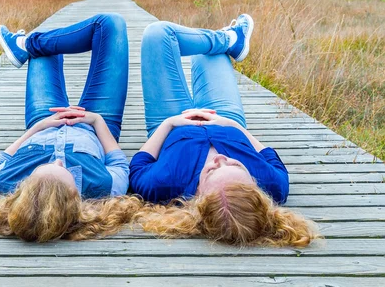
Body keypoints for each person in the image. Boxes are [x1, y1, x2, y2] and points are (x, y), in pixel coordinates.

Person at [0, 13, 142, 242]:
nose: (58, 160)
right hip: (94, 124)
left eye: (44, 166)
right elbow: (118, 163)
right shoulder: (102, 188)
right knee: (111, 25)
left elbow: (0, 159)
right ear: (76, 198)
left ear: (24, 187)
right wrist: (95, 120)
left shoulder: (0, 185)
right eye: (65, 170)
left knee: (47, 46)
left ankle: (25, 45)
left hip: (44, 119)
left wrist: (38, 128)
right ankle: (24, 44)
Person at [129, 15, 318, 247]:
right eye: (236, 164)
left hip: (171, 121)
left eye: (211, 171)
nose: (221, 159)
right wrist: (232, 125)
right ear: (256, 187)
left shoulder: (163, 184)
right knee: (211, 53)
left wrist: (170, 123)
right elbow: (266, 152)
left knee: (157, 34)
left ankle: (228, 38)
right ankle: (228, 40)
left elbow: (138, 164)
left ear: (197, 197)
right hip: (226, 117)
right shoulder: (274, 185)